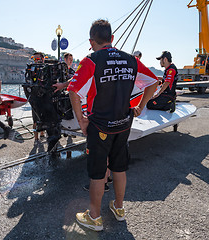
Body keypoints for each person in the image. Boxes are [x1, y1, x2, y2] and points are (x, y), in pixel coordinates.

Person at [68, 19, 158, 231]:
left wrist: (81, 120)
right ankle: (119, 208)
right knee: (119, 167)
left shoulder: (91, 60)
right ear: (112, 38)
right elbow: (153, 82)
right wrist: (140, 106)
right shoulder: (131, 60)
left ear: (91, 41)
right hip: (124, 122)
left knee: (98, 173)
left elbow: (73, 90)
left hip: (99, 125)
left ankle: (94, 217)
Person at [31, 52, 46, 141]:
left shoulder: (46, 68)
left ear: (42, 59)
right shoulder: (32, 69)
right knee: (35, 119)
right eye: (34, 59)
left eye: (37, 59)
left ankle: (43, 133)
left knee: (46, 117)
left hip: (45, 96)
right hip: (35, 97)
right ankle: (36, 138)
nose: (36, 61)